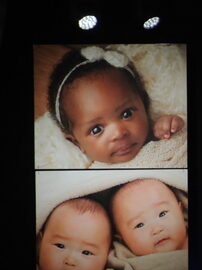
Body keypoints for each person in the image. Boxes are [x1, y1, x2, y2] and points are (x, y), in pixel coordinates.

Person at [48, 45, 184, 165]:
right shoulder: (90, 175)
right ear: (77, 143)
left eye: (127, 114)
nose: (118, 133)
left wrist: (168, 126)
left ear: (143, 102)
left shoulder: (156, 139)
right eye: (96, 129)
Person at [37, 197, 112, 270]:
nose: (70, 261)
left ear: (107, 257)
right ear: (40, 243)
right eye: (60, 246)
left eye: (86, 252)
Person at [110, 178, 188, 256]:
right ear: (123, 241)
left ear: (181, 211)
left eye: (162, 214)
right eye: (140, 225)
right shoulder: (124, 263)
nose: (157, 230)